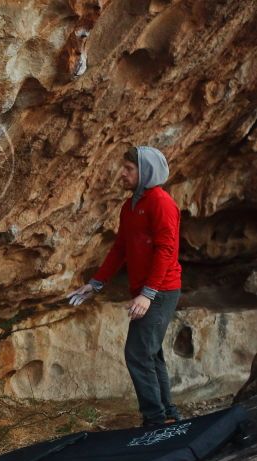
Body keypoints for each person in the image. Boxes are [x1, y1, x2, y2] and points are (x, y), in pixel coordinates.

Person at [68, 146, 182, 427]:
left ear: (145, 172)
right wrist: (95, 284)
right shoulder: (130, 206)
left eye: (129, 169)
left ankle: (155, 420)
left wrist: (147, 294)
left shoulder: (162, 203)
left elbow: (166, 250)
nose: (123, 173)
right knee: (151, 353)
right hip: (149, 291)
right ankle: (167, 415)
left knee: (137, 352)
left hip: (162, 291)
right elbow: (120, 249)